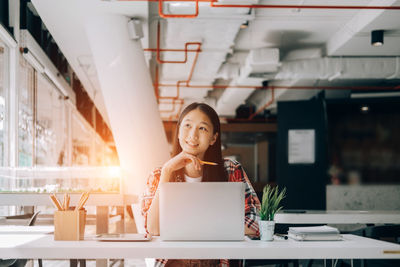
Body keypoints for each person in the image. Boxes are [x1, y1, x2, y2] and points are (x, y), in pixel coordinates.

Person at [141, 102, 261, 267]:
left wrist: (187, 226)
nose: (193, 135)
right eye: (188, 125)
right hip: (172, 262)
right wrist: (167, 171)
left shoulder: (230, 170)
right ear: (178, 132)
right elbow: (152, 229)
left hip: (216, 262)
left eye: (202, 128)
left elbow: (256, 223)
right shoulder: (158, 175)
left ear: (213, 138)